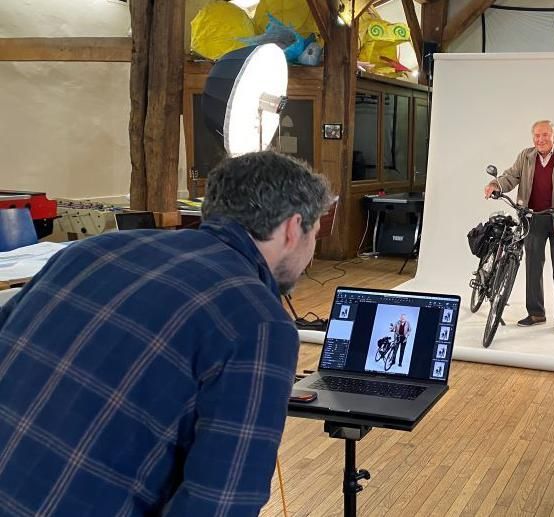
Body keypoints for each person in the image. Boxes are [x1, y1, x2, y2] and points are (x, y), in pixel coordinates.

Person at [0, 151, 331, 515]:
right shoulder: (258, 321)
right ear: (291, 228)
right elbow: (221, 502)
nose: (311, 250)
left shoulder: (90, 250)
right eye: (314, 233)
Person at [484, 120, 554, 334]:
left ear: (553, 136)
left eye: (545, 135)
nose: (540, 139)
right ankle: (536, 313)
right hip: (532, 218)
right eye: (537, 135)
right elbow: (511, 176)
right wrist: (496, 185)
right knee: (532, 267)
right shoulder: (526, 156)